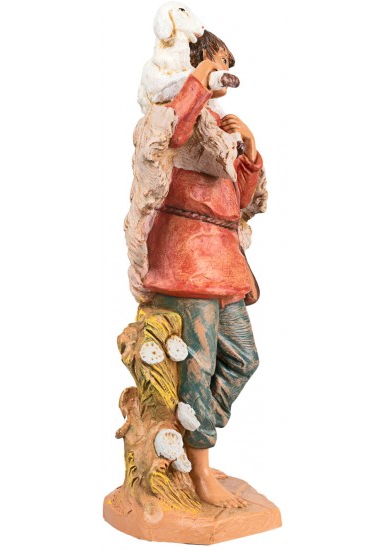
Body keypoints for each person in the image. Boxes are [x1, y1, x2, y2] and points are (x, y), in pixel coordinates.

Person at [141, 31, 265, 509]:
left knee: (243, 358)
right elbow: (172, 133)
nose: (223, 74)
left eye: (225, 66)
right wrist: (196, 80)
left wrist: (248, 146)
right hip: (188, 255)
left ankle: (189, 432)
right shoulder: (177, 111)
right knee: (199, 364)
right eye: (216, 63)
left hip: (223, 258)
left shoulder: (216, 124)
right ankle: (202, 469)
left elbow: (241, 200)